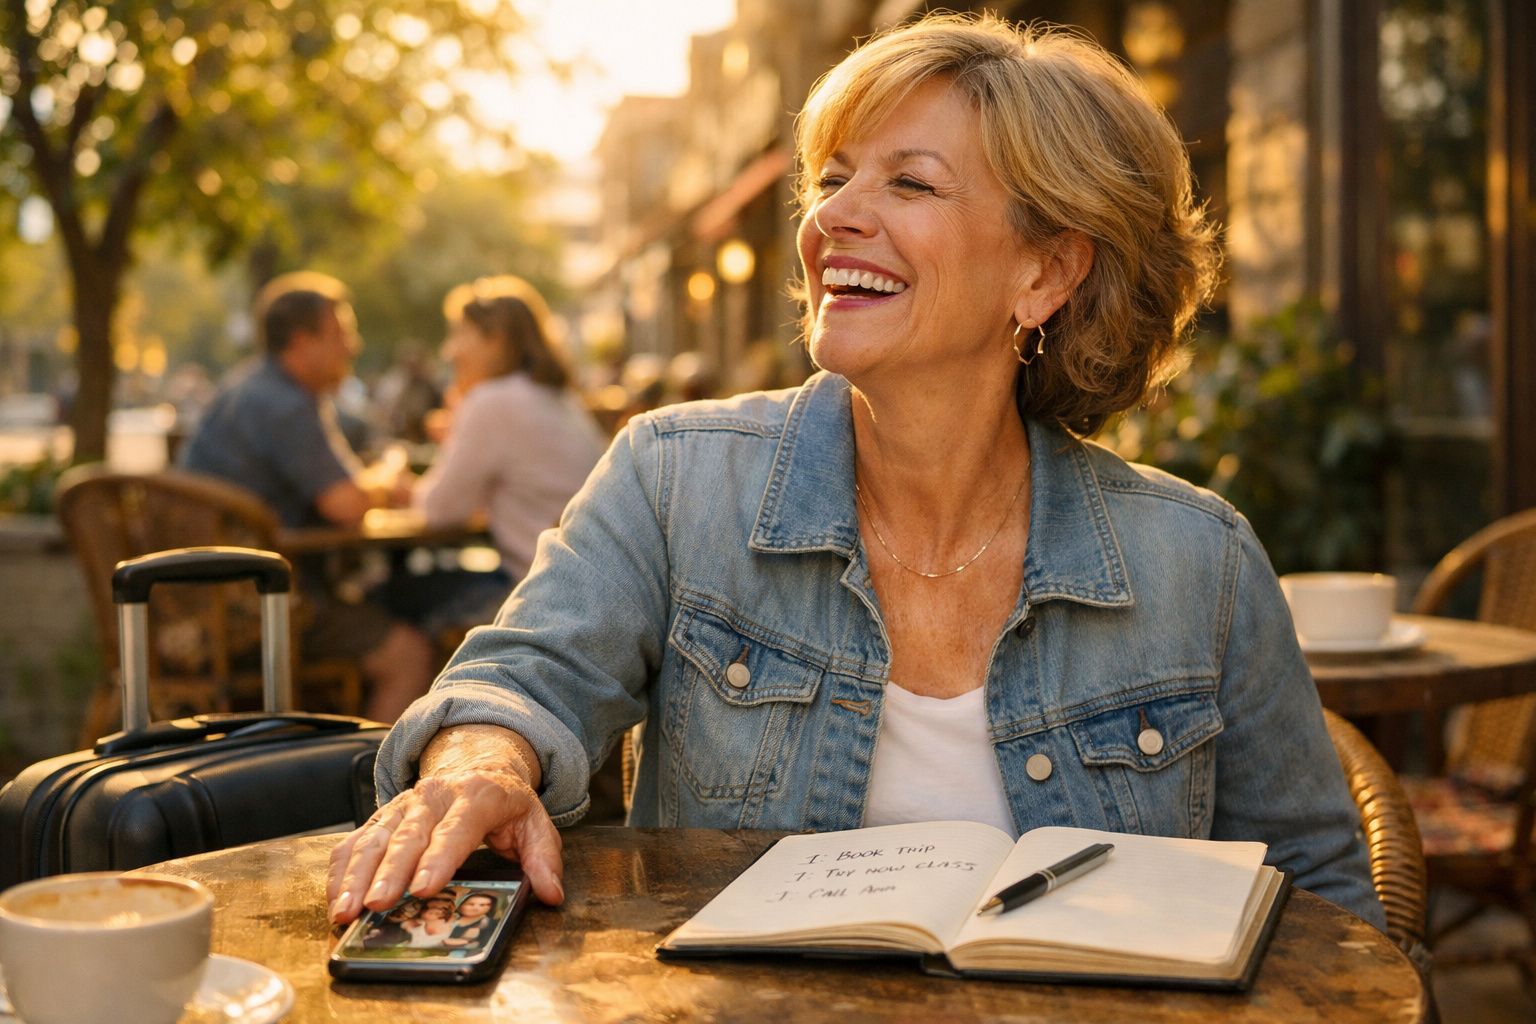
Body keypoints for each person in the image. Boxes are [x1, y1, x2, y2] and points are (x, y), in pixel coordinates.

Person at [328, 13, 1385, 932]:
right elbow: (520, 677)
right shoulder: (674, 477)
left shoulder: (1199, 562)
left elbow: (1326, 902)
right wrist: (481, 763)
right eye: (833, 179)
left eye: (910, 182)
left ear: (1046, 271)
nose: (833, 217)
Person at [179, 271, 436, 721]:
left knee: (375, 604)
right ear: (302, 342)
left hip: (199, 604)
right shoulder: (285, 403)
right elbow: (346, 503)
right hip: (257, 612)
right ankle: (369, 787)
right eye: (341, 334)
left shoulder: (247, 387)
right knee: (410, 654)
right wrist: (390, 477)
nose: (352, 347)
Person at [413, 276, 608, 584]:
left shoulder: (492, 401)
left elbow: (440, 512)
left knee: (394, 594)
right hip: (588, 583)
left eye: (460, 334)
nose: (449, 351)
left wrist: (403, 490)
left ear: (496, 340)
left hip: (540, 592)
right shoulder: (557, 396)